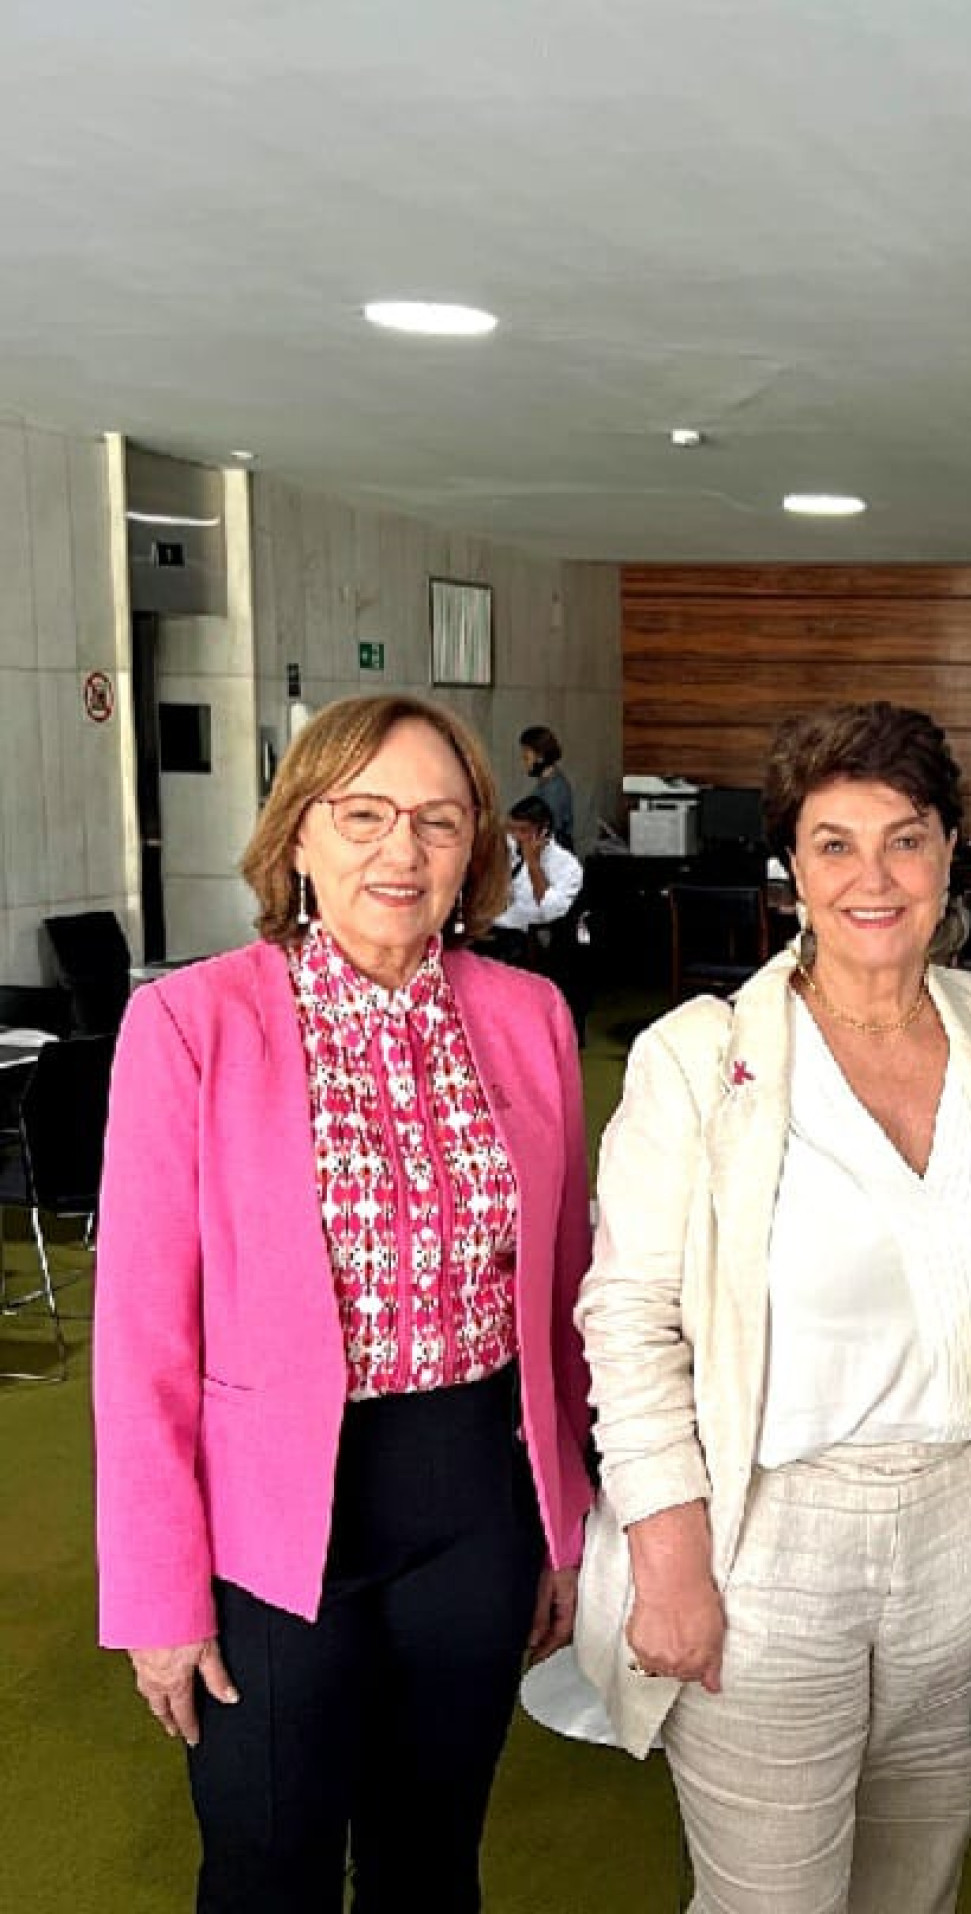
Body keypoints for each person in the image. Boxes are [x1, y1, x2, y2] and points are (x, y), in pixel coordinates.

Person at [94, 693, 595, 1912]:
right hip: (270, 1521)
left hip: (474, 1500)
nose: (400, 850)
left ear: (475, 845)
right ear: (298, 836)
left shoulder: (528, 1019)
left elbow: (570, 1288)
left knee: (433, 1864)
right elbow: (142, 1339)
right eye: (362, 814)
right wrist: (159, 1593)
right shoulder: (188, 1022)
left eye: (436, 819)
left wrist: (566, 1514)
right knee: (271, 1866)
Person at [573, 700, 971, 1914]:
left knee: (914, 1892)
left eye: (904, 837)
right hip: (772, 1543)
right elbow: (627, 1319)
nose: (873, 877)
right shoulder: (699, 1057)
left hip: (965, 1530)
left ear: (952, 849)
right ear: (792, 869)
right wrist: (668, 1555)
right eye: (834, 844)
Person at [494, 795, 585, 939]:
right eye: (511, 829)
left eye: (523, 831)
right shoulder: (508, 847)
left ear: (544, 830)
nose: (516, 836)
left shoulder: (568, 866)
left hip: (524, 939)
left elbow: (552, 912)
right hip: (492, 928)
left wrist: (533, 865)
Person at [519, 722, 575, 850]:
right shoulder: (546, 783)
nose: (524, 763)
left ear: (540, 757)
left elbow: (548, 833)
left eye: (526, 757)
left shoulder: (554, 789)